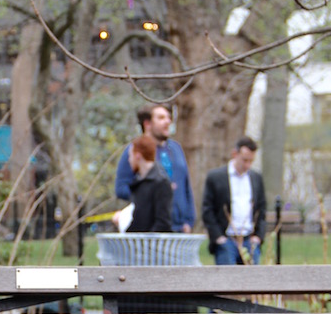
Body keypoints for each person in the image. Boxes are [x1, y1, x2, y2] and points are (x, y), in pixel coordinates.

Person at [114, 103, 195, 233]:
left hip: (179, 228)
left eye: (169, 118)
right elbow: (121, 188)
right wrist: (152, 196)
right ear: (147, 124)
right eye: (161, 118)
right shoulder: (134, 151)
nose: (168, 121)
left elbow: (186, 186)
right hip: (151, 229)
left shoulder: (176, 149)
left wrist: (189, 220)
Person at [201, 137, 266, 265]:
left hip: (249, 240)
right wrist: (218, 237)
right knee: (227, 282)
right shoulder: (216, 177)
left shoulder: (255, 178)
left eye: (251, 161)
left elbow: (261, 209)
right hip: (227, 240)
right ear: (235, 154)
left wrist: (258, 237)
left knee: (252, 282)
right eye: (245, 160)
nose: (247, 165)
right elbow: (207, 210)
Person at [124, 133, 172, 233]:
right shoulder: (139, 182)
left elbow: (163, 223)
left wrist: (146, 243)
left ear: (138, 155)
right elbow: (138, 220)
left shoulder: (161, 182)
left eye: (130, 156)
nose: (129, 160)